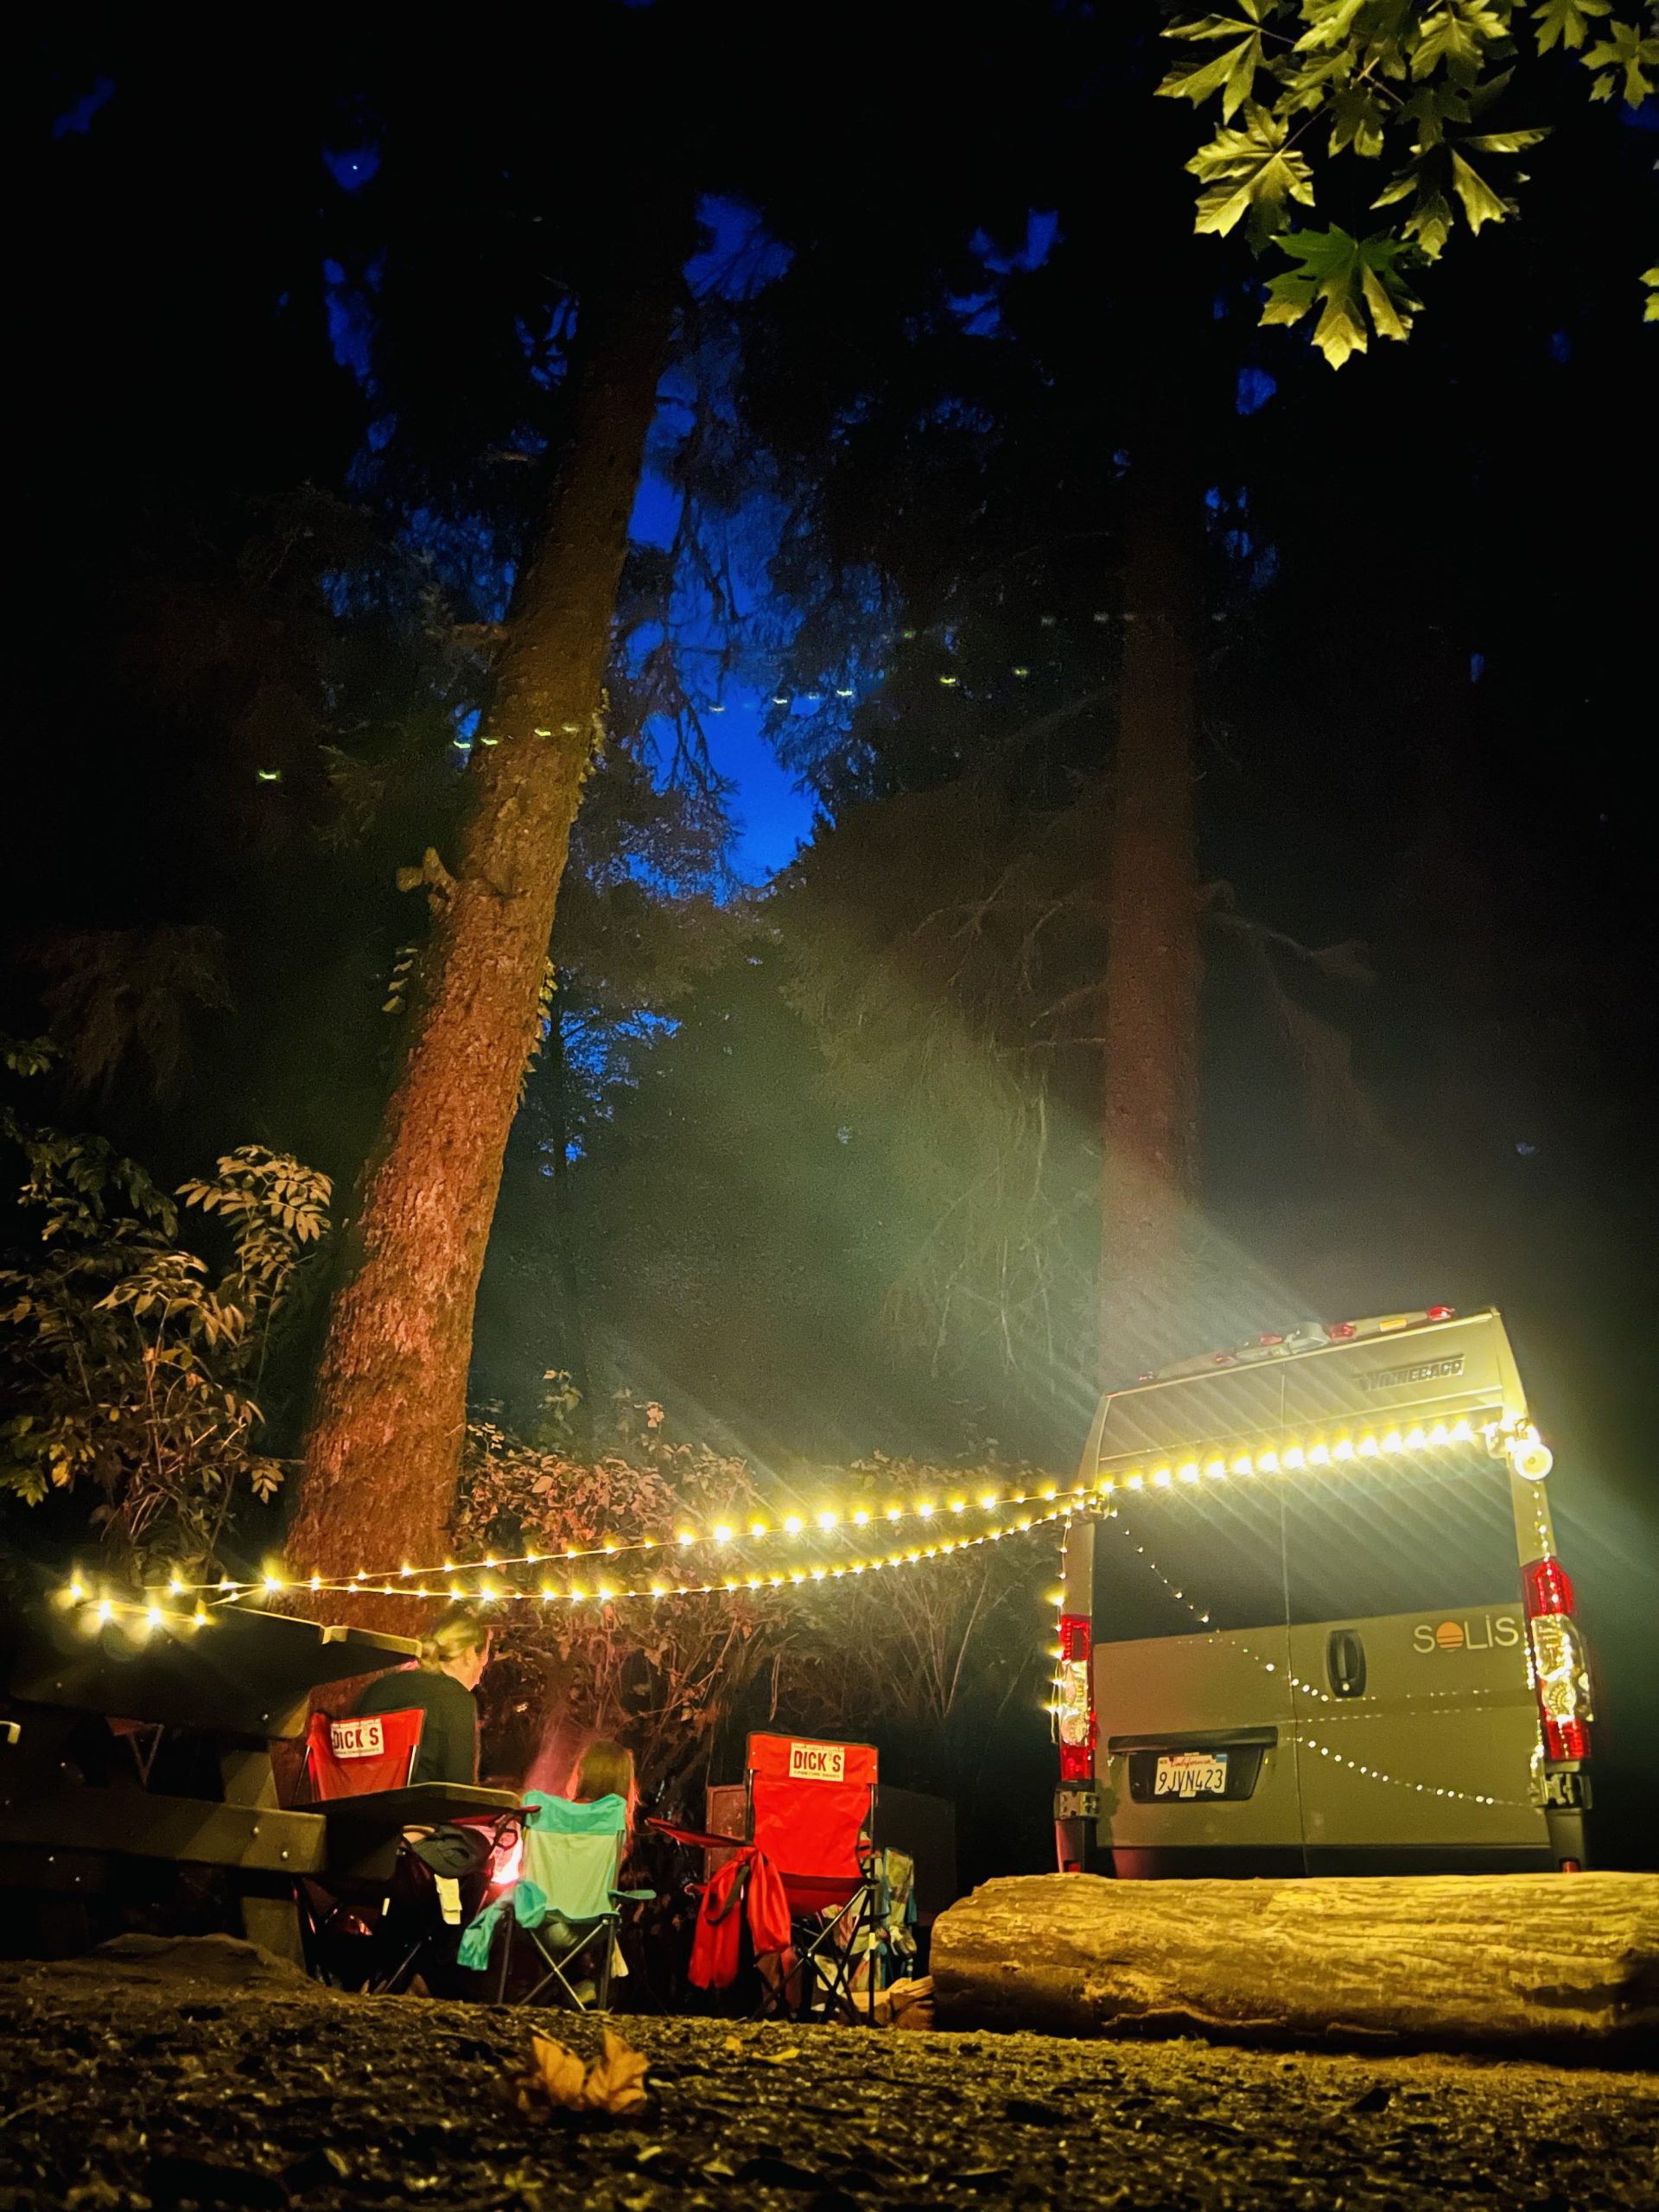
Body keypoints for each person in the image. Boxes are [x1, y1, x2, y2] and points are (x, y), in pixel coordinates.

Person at [351, 1604, 491, 1787]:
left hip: (350, 1809)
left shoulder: (377, 1688)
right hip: (414, 1812)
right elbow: (459, 1787)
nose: (484, 1667)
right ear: (470, 1653)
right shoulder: (456, 1699)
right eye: (486, 1656)